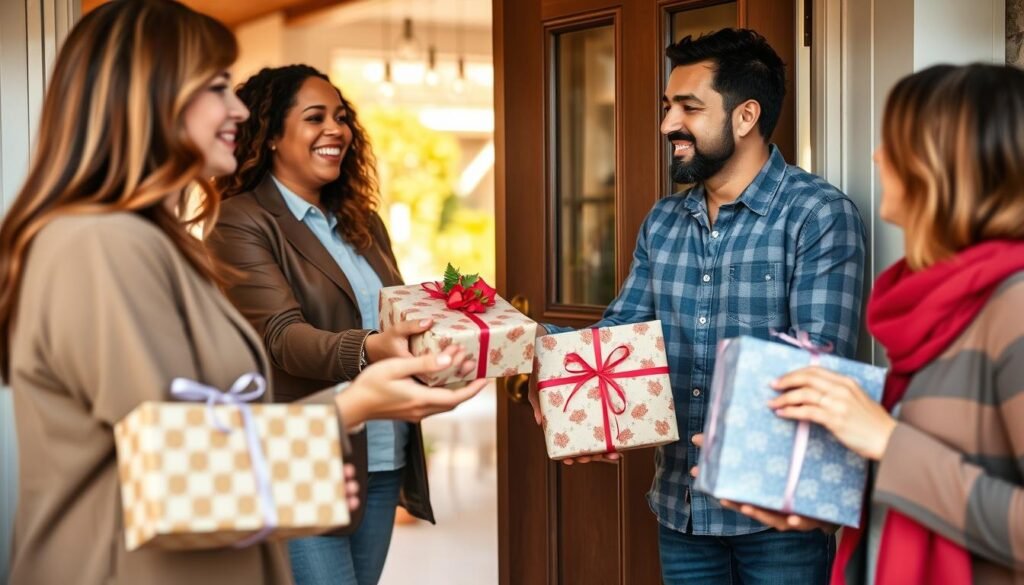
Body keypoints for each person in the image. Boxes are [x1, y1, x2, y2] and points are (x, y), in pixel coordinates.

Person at [0, 2, 485, 584]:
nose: (237, 110)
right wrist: (352, 406)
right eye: (216, 88)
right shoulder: (102, 244)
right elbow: (173, 471)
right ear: (148, 98)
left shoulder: (157, 243)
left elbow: (202, 432)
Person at [530, 28, 866, 584]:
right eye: (668, 107)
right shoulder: (663, 220)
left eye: (688, 107)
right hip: (680, 508)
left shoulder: (817, 215)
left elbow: (819, 367)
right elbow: (621, 339)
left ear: (745, 116)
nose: (668, 124)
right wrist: (535, 347)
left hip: (776, 517)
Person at [730, 63, 1024, 585]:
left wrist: (888, 441)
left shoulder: (1013, 306)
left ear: (949, 163)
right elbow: (929, 486)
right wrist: (825, 504)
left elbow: (911, 459)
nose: (877, 156)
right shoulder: (937, 305)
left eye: (896, 142)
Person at [206, 65, 444, 585]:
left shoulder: (363, 222)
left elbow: (394, 313)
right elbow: (283, 338)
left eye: (341, 117)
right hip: (301, 458)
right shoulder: (240, 220)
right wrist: (374, 347)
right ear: (271, 135)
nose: (336, 130)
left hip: (383, 453)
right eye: (315, 118)